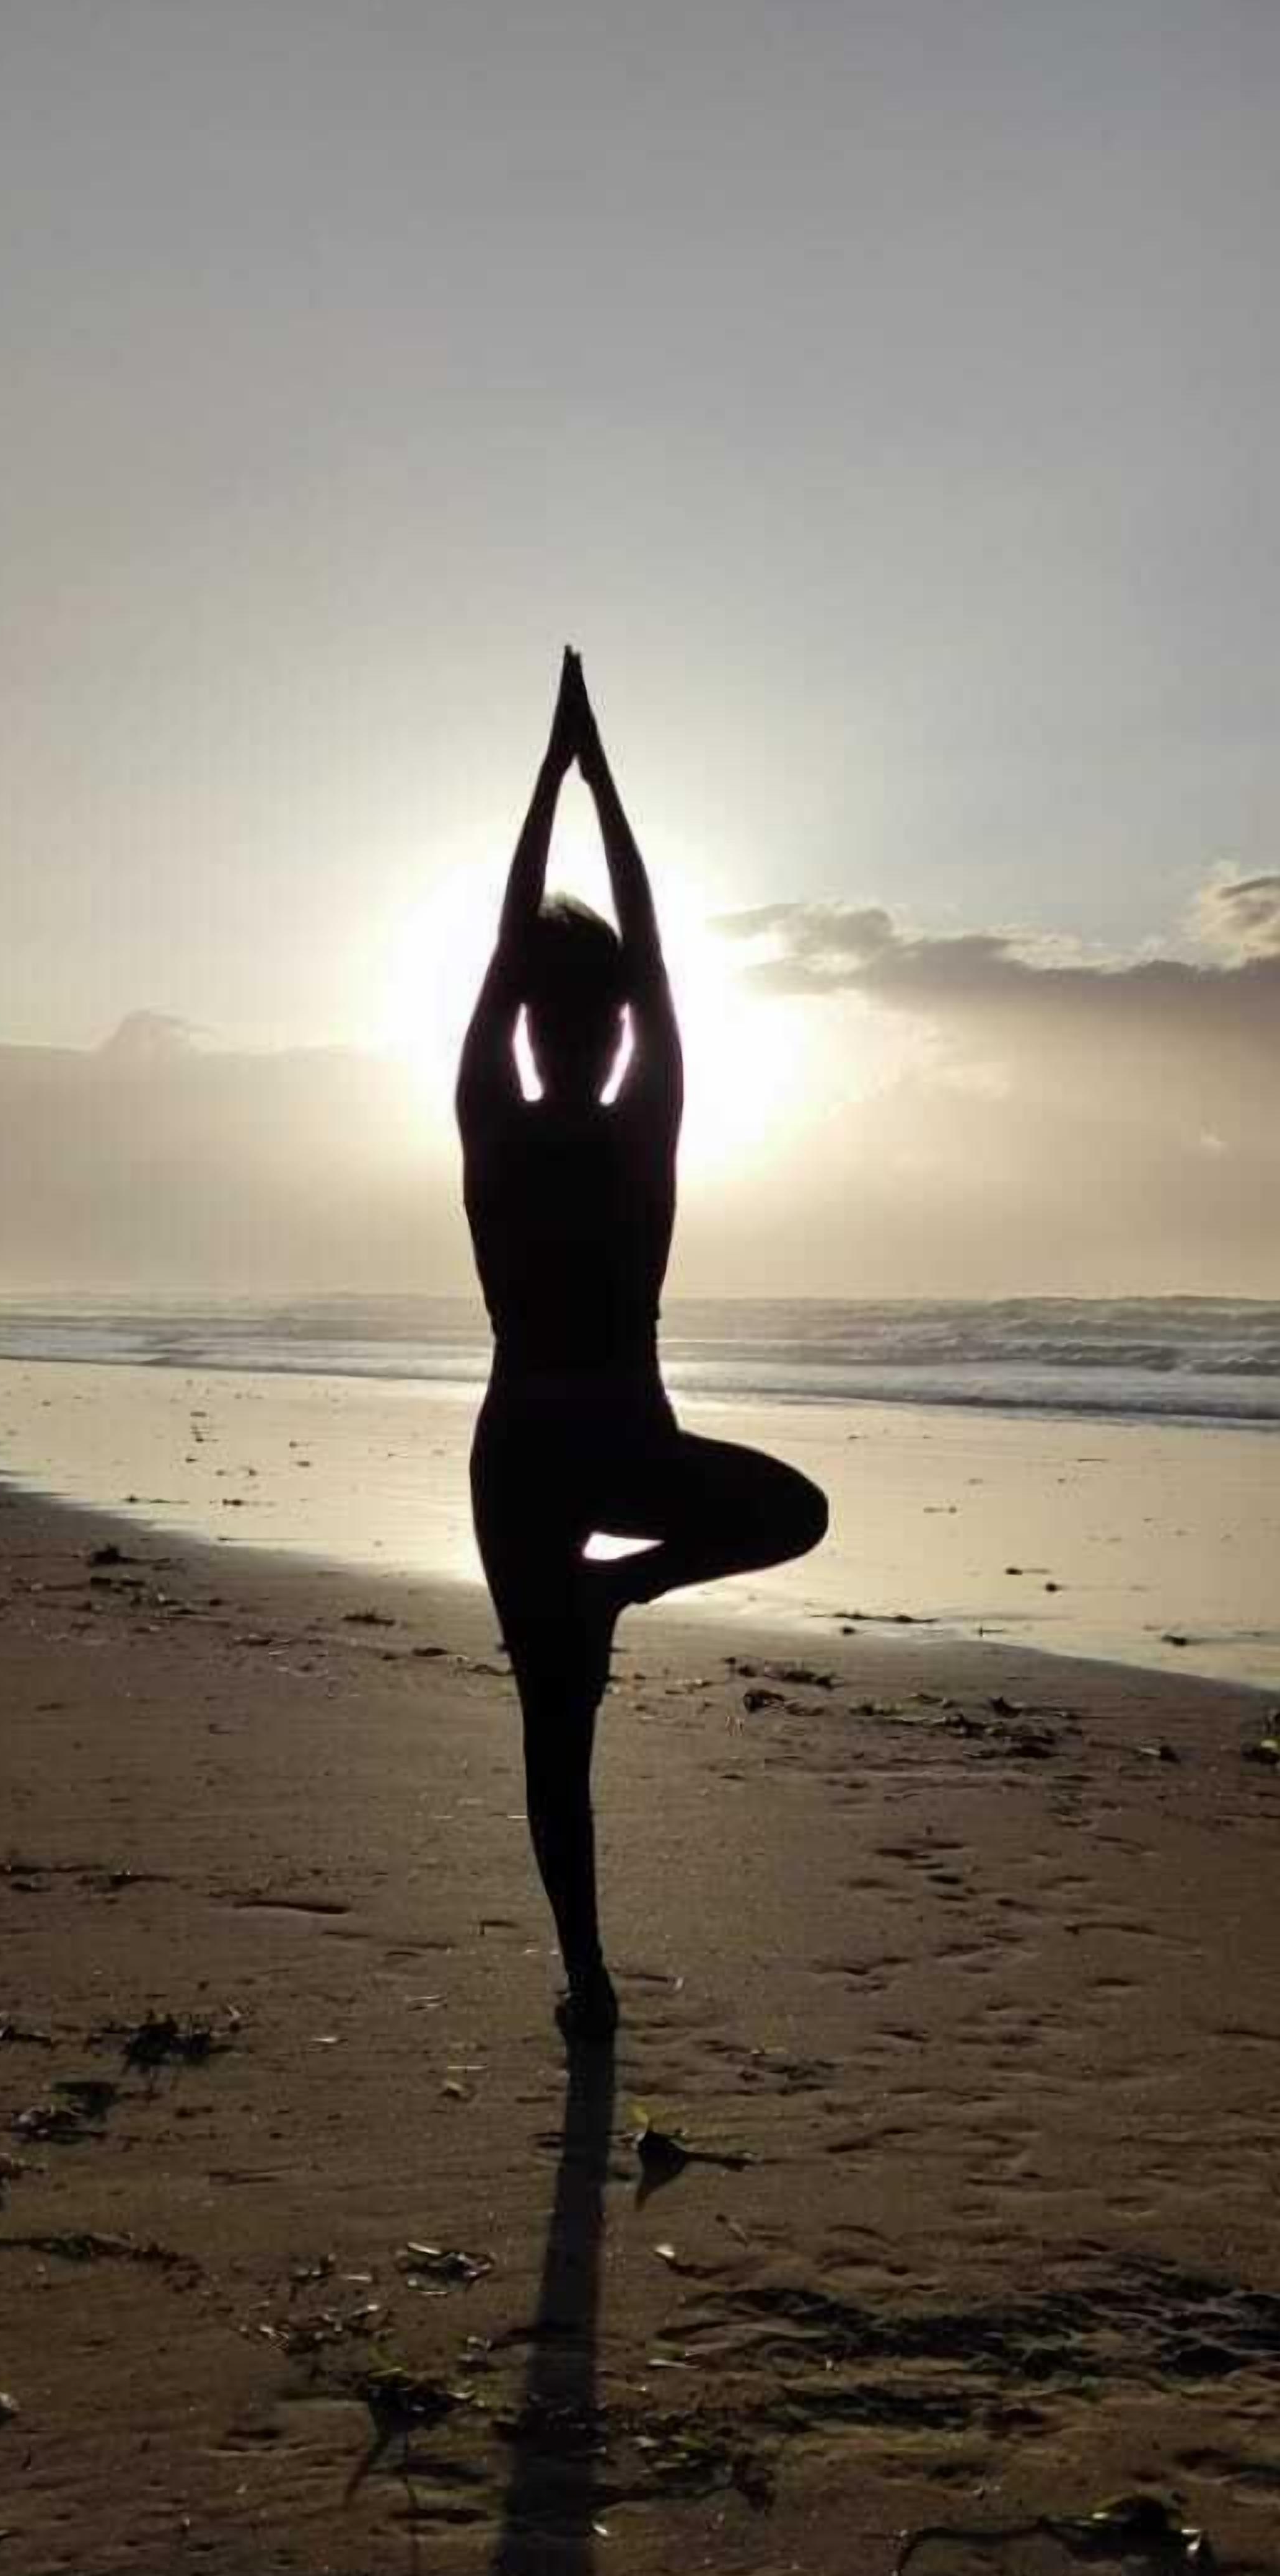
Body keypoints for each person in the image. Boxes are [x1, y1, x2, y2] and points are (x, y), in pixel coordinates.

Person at [457, 649, 828, 2042]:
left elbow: (585, 964)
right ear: (584, 1030)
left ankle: (589, 1969)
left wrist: (570, 781)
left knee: (783, 1522)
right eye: (587, 1013)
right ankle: (589, 1977)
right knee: (562, 1726)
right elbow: (555, 958)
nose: (595, 1026)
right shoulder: (577, 1126)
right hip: (577, 1448)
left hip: (566, 1445)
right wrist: (582, 778)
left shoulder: (562, 1127)